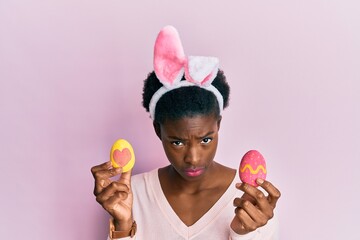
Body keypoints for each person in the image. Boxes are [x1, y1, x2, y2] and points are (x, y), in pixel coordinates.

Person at [91, 26, 281, 240]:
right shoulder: (132, 194)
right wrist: (122, 225)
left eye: (206, 139)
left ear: (218, 125)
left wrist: (242, 233)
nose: (193, 158)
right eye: (178, 143)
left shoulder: (252, 203)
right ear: (157, 130)